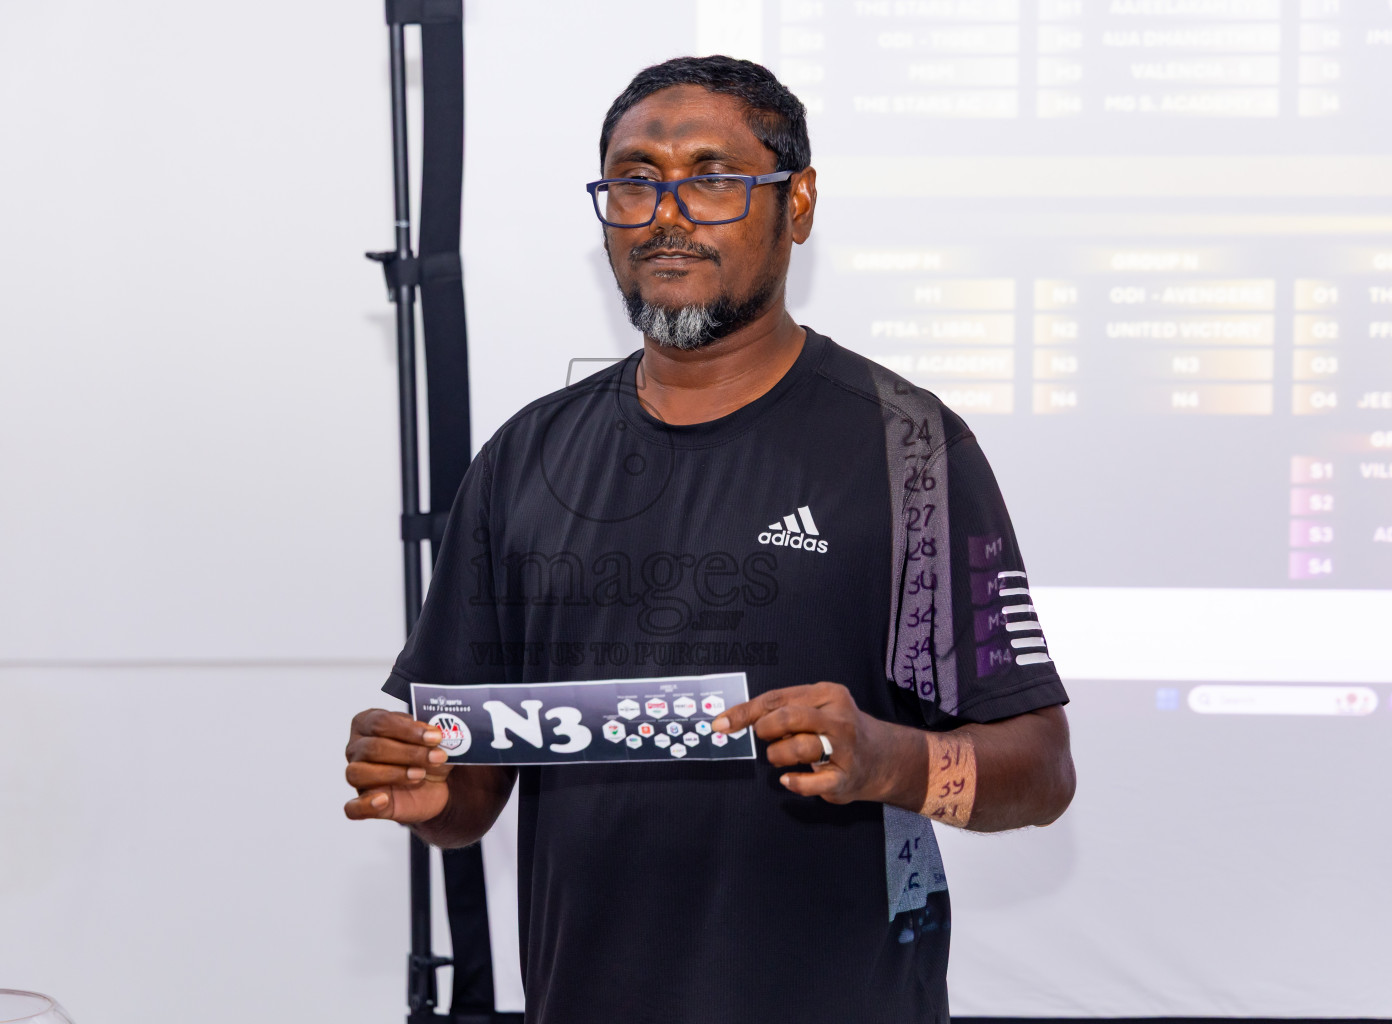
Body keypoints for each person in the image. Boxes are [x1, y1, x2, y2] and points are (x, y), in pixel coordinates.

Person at [345, 55, 1075, 1024]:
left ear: (798, 202)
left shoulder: (910, 448)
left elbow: (1040, 770)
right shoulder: (526, 456)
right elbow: (471, 790)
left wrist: (886, 759)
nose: (666, 211)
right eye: (636, 179)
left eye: (712, 177)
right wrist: (423, 783)